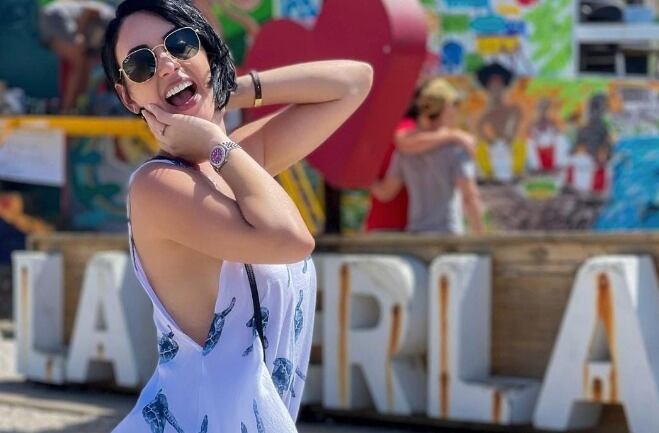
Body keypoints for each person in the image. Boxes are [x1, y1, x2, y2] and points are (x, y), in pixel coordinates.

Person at [101, 0, 373, 431]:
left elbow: (354, 82)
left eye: (181, 44)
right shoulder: (158, 186)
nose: (167, 64)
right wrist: (214, 141)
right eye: (140, 64)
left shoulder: (237, 164)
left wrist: (229, 88)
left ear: (208, 51)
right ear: (127, 96)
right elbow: (291, 240)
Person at [370, 78, 484, 234]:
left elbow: (385, 192)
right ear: (447, 108)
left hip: (416, 234)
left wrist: (365, 177)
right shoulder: (456, 148)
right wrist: (481, 236)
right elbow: (470, 196)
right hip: (448, 233)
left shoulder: (405, 151)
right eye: (454, 105)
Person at [38, 0, 115, 112]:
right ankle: (67, 109)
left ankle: (73, 106)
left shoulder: (105, 39)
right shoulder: (112, 17)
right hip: (57, 16)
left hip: (52, 16)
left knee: (83, 64)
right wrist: (80, 34)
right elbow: (90, 11)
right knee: (78, 64)